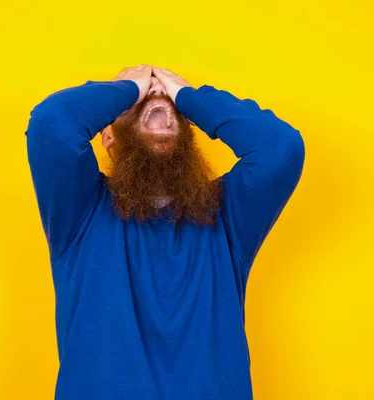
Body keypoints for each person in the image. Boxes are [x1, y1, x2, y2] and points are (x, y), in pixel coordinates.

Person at [25, 64, 305, 400]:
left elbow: (281, 147)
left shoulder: (228, 216)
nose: (156, 93)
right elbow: (51, 124)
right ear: (108, 136)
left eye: (169, 97)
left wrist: (188, 96)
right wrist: (128, 89)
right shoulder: (79, 210)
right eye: (139, 97)